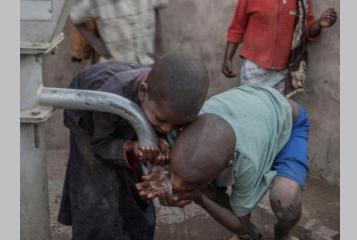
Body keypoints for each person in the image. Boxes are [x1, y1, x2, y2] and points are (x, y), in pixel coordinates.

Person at [57, 52, 210, 240]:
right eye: (161, 121)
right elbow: (100, 144)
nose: (167, 128)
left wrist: (161, 141)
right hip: (89, 114)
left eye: (175, 125)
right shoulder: (110, 96)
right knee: (98, 188)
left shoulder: (164, 101)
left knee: (133, 187)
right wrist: (131, 146)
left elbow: (166, 127)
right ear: (143, 91)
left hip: (125, 113)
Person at [137, 85, 310, 239]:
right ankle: (250, 234)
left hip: (287, 118)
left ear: (228, 164)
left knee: (285, 199)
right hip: (252, 105)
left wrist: (197, 196)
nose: (180, 184)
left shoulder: (247, 160)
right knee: (204, 185)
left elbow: (240, 222)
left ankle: (283, 234)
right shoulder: (180, 128)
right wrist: (169, 173)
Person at [222, 0, 337, 95]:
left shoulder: (302, 1)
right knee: (250, 113)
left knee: (275, 116)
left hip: (282, 73)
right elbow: (237, 27)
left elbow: (306, 31)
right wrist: (228, 58)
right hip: (253, 68)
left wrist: (319, 24)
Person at [69, 0, 169, 65]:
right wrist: (94, 42)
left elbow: (156, 9)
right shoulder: (97, 2)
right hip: (116, 66)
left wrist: (159, 49)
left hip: (147, 62)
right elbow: (75, 16)